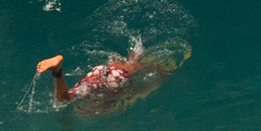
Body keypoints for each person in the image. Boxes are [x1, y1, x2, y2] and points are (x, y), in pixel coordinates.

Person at [37, 50, 168, 113]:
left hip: (97, 73)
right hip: (116, 80)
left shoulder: (114, 64)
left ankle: (58, 71)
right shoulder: (124, 67)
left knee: (64, 100)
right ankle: (57, 70)